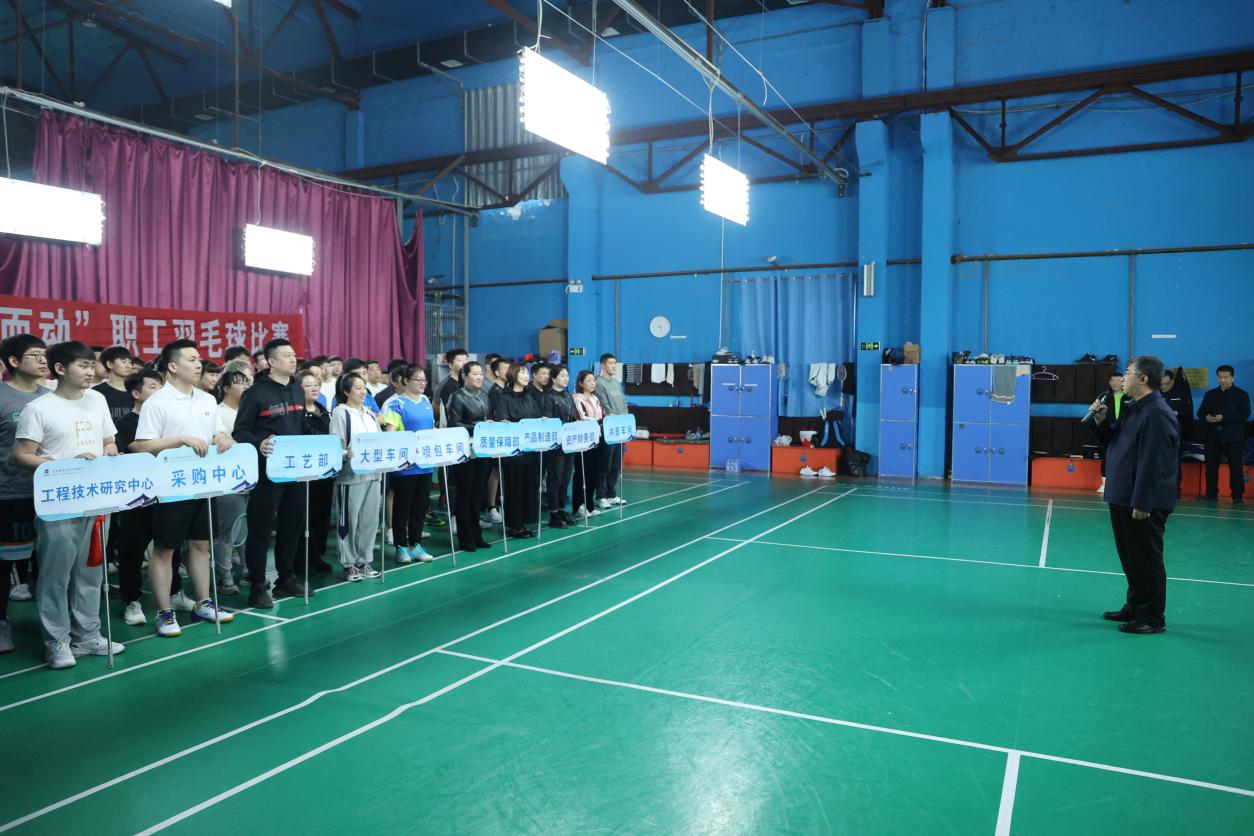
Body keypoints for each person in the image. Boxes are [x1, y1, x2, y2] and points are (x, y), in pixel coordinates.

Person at [13, 340, 125, 668]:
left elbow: (107, 439)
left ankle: (87, 635)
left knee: (91, 571)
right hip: (59, 502)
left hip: (97, 498)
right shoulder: (39, 408)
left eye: (92, 365)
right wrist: (64, 466)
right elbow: (21, 455)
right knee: (55, 574)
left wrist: (110, 450)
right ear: (60, 369)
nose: (91, 371)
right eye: (83, 365)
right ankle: (57, 642)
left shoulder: (97, 399)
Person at [130, 340, 235, 637]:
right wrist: (180, 440)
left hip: (204, 484)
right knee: (165, 550)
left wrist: (222, 438)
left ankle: (204, 603)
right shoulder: (157, 402)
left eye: (199, 358)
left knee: (201, 546)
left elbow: (217, 433)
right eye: (191, 359)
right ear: (173, 366)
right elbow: (141, 445)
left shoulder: (207, 400)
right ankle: (164, 613)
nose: (199, 363)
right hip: (171, 487)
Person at [1091, 356, 1179, 634]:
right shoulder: (1133, 408)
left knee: (1146, 559)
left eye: (1128, 373)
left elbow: (1154, 463)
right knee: (1131, 557)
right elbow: (1113, 441)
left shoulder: (1157, 413)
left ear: (1143, 379)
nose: (1122, 378)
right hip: (1122, 494)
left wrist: (1143, 501)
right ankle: (1135, 605)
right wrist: (1101, 419)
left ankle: (1151, 617)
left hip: (1140, 500)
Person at [233, 338, 312, 608]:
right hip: (267, 473)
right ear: (271, 361)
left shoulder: (297, 390)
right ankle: (257, 584)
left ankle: (286, 578)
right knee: (261, 529)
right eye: (287, 355)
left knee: (292, 525)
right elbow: (240, 431)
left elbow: (301, 426)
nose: (293, 359)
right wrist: (259, 443)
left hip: (296, 471)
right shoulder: (255, 393)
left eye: (294, 354)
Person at [0, 335, 49, 655]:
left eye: (45, 355)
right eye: (35, 355)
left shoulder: (51, 398)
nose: (43, 361)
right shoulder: (2, 396)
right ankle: (2, 622)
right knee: (4, 565)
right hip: (9, 494)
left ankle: (53, 626)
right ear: (14, 362)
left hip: (51, 495)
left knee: (47, 565)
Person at [112, 368, 164, 625]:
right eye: (153, 387)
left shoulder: (166, 420)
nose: (160, 392)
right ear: (136, 393)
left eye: (161, 387)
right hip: (137, 497)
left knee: (169, 547)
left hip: (167, 492)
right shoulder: (126, 423)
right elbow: (136, 448)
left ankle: (174, 591)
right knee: (132, 550)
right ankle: (131, 600)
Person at [330, 373, 383, 581]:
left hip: (373, 473)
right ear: (346, 391)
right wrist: (346, 454)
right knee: (349, 520)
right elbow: (336, 444)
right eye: (358, 388)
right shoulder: (340, 413)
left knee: (369, 520)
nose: (363, 392)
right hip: (350, 475)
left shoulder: (369, 414)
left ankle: (364, 560)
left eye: (364, 388)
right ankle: (348, 563)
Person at [383, 364, 436, 564]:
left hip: (425, 464)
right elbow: (390, 433)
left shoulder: (426, 401)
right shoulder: (396, 404)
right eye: (418, 380)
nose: (422, 384)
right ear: (406, 381)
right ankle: (401, 547)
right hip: (405, 466)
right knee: (402, 508)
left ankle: (416, 544)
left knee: (420, 508)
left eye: (424, 380)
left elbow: (431, 429)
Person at [211, 369, 251, 595]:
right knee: (227, 531)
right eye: (239, 382)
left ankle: (247, 570)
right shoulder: (218, 412)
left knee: (247, 528)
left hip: (251, 476)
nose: (245, 386)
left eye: (246, 382)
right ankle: (224, 578)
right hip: (228, 479)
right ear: (226, 388)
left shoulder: (249, 409)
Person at [446, 362, 493, 552]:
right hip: (464, 451)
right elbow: (454, 423)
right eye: (475, 374)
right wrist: (479, 427)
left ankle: (476, 534)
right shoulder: (457, 397)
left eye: (481, 374)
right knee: (464, 494)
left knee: (478, 494)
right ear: (464, 376)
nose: (479, 377)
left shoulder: (484, 395)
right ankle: (465, 538)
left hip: (482, 450)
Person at [494, 363, 540, 538]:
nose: (526, 375)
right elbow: (501, 422)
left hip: (530, 452)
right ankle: (513, 525)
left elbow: (535, 418)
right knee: (514, 489)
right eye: (522, 372)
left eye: (527, 372)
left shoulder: (529, 397)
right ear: (513, 375)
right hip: (513, 454)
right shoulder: (504, 398)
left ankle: (523, 522)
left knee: (528, 488)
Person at [298, 368, 335, 574]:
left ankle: (317, 555)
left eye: (316, 385)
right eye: (308, 385)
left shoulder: (322, 409)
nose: (314, 388)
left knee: (322, 514)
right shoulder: (296, 413)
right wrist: (330, 441)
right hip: (306, 472)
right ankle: (304, 558)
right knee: (306, 516)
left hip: (325, 470)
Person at [1197, 364, 1250, 506]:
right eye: (1220, 377)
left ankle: (1237, 496)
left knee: (1235, 467)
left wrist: (1223, 418)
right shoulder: (1210, 394)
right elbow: (1200, 412)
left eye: (1226, 377)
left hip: (1232, 436)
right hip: (1212, 435)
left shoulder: (1241, 395)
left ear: (1233, 377)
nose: (1222, 380)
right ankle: (1211, 493)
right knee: (1211, 466)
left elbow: (1244, 414)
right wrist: (1206, 417)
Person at [542, 365, 578, 529]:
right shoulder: (548, 396)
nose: (566, 379)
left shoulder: (568, 396)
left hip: (569, 443)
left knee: (565, 478)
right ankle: (554, 513)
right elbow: (549, 420)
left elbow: (573, 417)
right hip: (555, 445)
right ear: (553, 378)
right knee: (555, 479)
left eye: (567, 376)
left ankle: (562, 509)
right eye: (562, 376)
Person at [593, 353, 628, 509]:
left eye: (615, 363)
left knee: (615, 464)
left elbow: (623, 404)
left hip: (620, 430)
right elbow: (605, 406)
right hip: (608, 430)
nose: (614, 366)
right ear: (603, 365)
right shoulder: (599, 383)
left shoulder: (616, 383)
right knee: (605, 464)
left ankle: (611, 494)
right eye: (611, 363)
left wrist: (626, 422)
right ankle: (601, 496)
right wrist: (613, 418)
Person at [572, 370, 605, 521]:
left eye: (593, 380)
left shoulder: (595, 398)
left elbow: (601, 415)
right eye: (589, 381)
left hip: (597, 439)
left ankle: (589, 504)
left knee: (594, 472)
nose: (592, 383)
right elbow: (582, 417)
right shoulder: (577, 398)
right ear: (581, 383)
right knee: (582, 473)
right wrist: (597, 421)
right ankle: (578, 504)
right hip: (583, 441)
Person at [1159, 369, 1193, 494]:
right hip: (1157, 434)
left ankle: (1175, 489)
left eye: (1166, 384)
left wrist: (1176, 413)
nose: (1163, 387)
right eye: (1161, 384)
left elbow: (1188, 413)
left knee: (1174, 462)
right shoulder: (1155, 394)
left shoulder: (1181, 394)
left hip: (1174, 434)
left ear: (1172, 381)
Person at [1093, 371, 1125, 495]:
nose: (1116, 383)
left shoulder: (1129, 396)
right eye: (1113, 380)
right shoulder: (1103, 396)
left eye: (1119, 380)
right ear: (1109, 382)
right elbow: (1095, 412)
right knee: (1106, 457)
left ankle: (1122, 484)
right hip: (1107, 431)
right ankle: (1105, 484)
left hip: (1124, 431)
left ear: (1123, 382)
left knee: (1124, 458)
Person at [93, 346, 135, 422]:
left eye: (130, 362)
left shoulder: (136, 392)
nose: (128, 366)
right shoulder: (97, 392)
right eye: (124, 362)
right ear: (110, 364)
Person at [435, 348, 469, 424]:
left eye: (466, 360)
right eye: (460, 360)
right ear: (451, 365)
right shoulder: (445, 385)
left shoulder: (469, 383)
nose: (465, 363)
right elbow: (437, 409)